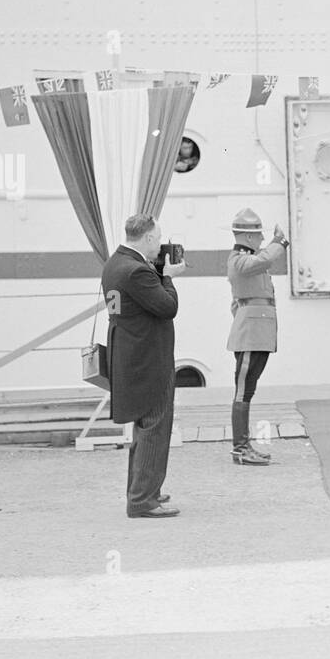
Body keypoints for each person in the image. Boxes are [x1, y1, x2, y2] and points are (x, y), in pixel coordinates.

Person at [102, 214, 185, 517]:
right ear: (148, 238)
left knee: (144, 427)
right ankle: (142, 500)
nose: (160, 245)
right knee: (154, 425)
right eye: (158, 238)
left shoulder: (115, 263)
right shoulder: (137, 271)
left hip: (129, 354)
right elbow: (167, 307)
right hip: (148, 358)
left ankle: (143, 490)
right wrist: (168, 276)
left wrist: (159, 273)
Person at [227, 209, 290, 464]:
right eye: (258, 235)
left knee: (247, 390)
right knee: (243, 391)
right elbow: (261, 262)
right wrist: (280, 243)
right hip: (250, 334)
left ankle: (243, 446)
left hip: (257, 332)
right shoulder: (239, 259)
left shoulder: (246, 259)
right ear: (248, 237)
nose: (262, 240)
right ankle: (240, 448)